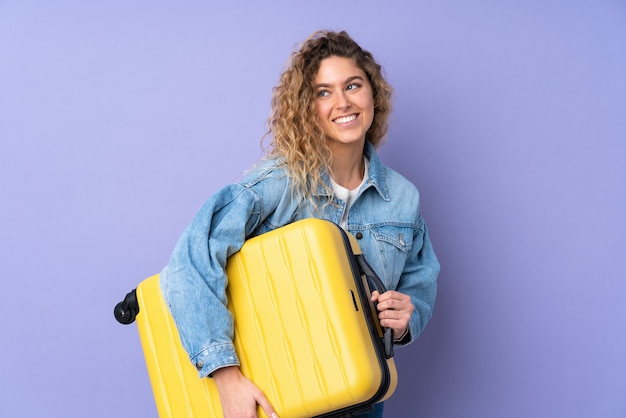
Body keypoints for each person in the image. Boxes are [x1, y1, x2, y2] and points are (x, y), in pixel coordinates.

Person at [160, 30, 440, 418]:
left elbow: (419, 283)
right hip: (283, 397)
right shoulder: (277, 184)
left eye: (353, 86)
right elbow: (190, 262)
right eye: (323, 92)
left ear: (373, 94)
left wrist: (405, 317)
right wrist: (226, 377)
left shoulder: (403, 198)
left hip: (362, 400)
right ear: (306, 107)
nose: (342, 102)